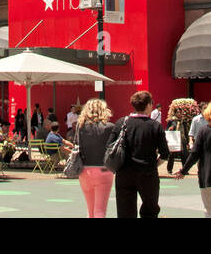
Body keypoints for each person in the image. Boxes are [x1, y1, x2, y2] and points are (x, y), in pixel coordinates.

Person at [114, 90, 170, 218]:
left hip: (124, 172)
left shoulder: (121, 123)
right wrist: (155, 164)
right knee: (150, 210)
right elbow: (165, 153)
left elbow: (109, 146)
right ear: (149, 105)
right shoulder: (155, 126)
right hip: (147, 173)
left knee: (125, 211)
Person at [70, 99, 117, 218]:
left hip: (85, 170)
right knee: (100, 210)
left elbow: (76, 144)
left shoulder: (80, 127)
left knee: (90, 211)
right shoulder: (110, 127)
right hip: (103, 170)